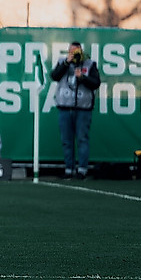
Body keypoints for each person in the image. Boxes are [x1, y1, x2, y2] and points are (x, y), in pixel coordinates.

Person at [51, 41, 101, 179]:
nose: (74, 55)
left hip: (83, 108)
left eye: (76, 52)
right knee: (66, 140)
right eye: (71, 52)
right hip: (65, 107)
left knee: (82, 139)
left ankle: (82, 169)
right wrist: (66, 63)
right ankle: (69, 169)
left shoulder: (89, 64)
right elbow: (54, 76)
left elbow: (96, 83)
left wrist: (83, 78)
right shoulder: (62, 62)